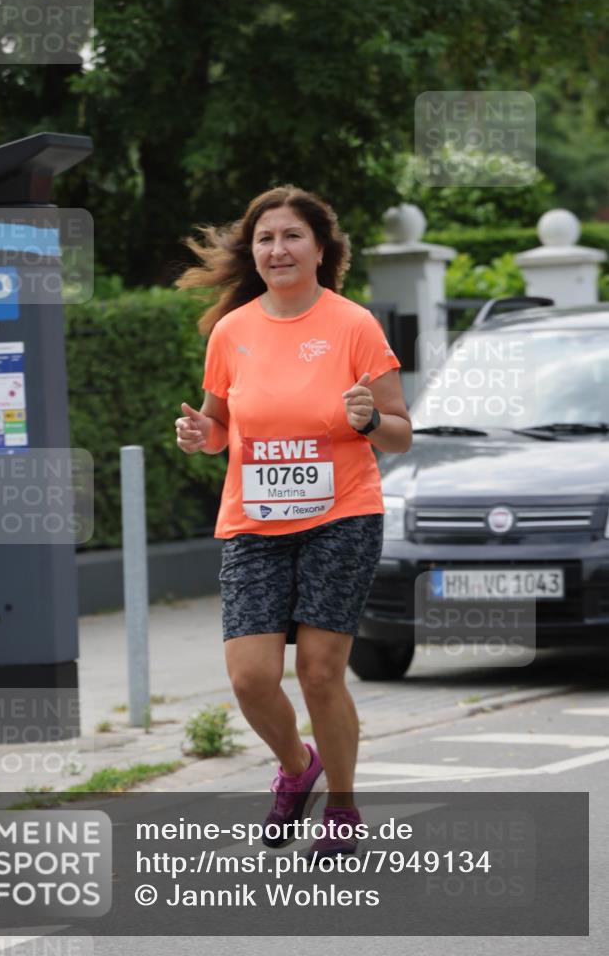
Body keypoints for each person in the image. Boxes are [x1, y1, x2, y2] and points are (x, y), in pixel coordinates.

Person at [174, 185, 411, 860]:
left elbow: (397, 434)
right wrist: (201, 435)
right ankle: (295, 765)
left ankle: (340, 807)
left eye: (290, 236)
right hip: (253, 522)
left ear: (319, 247)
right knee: (249, 676)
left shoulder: (352, 325)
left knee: (317, 671)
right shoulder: (233, 331)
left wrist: (367, 418)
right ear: (253, 253)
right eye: (265, 239)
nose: (277, 249)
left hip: (341, 515)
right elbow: (220, 426)